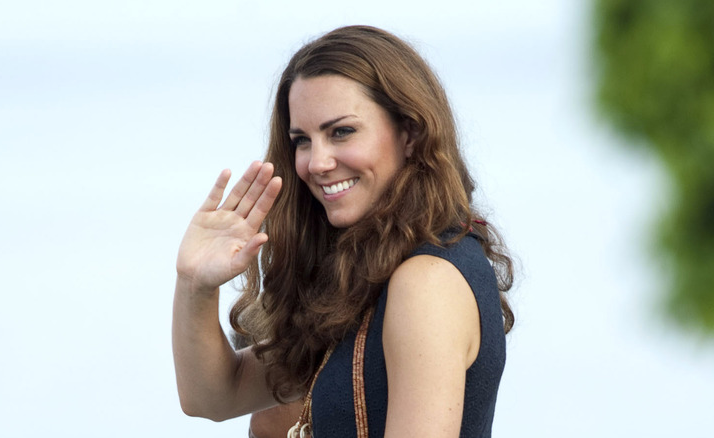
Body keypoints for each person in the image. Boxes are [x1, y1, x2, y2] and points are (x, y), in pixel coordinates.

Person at [172, 25, 514, 437]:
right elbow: (213, 397)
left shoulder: (426, 280)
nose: (317, 163)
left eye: (341, 132)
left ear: (410, 132)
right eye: (302, 140)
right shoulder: (365, 274)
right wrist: (195, 283)